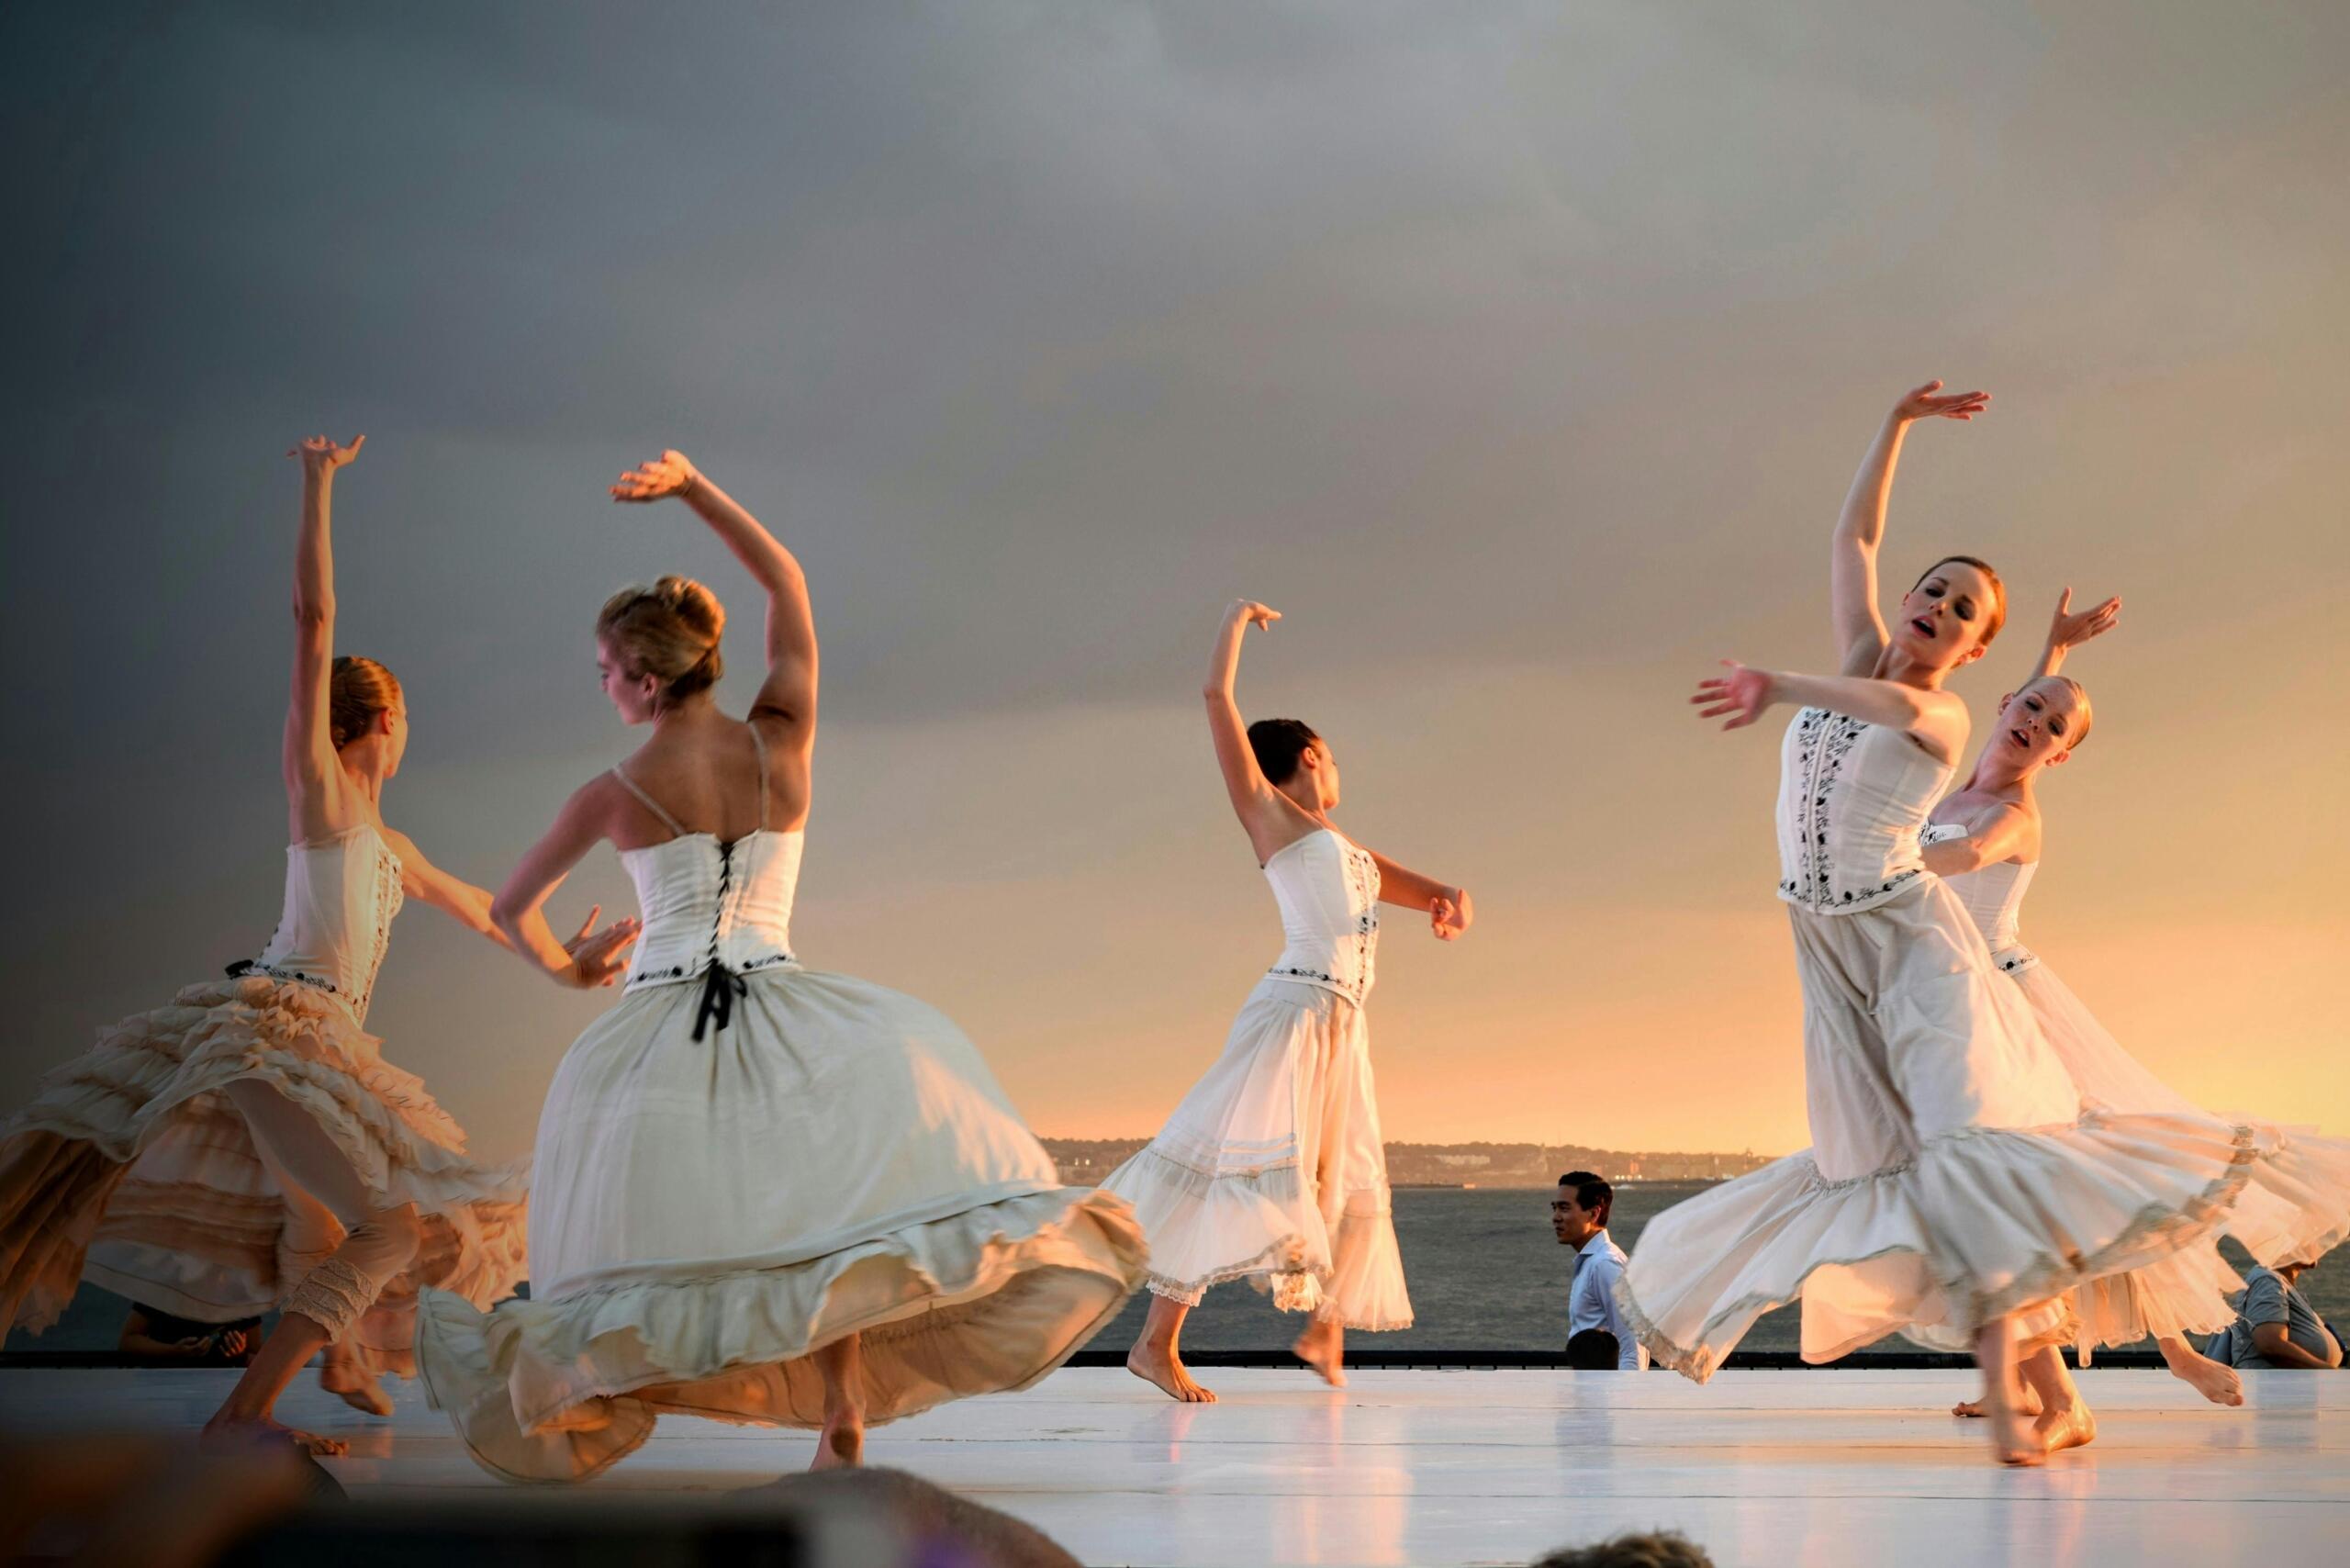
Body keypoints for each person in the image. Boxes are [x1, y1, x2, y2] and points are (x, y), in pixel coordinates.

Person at [413, 449, 1147, 1481]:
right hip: (792, 1001)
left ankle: (603, 1392)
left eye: (607, 672)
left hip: (662, 1021)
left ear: (649, 677)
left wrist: (575, 969)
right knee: (825, 1223)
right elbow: (787, 582)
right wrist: (694, 486)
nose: (603, 687)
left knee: (675, 1233)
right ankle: (840, 1405)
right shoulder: (783, 739)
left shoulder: (612, 789)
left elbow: (506, 908)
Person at [1614, 381, 2277, 1466]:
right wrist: (1894, 424)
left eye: (1964, 609)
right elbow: (1852, 537)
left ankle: (2027, 1408)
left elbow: (1902, 717)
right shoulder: (1875, 661)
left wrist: (1778, 683)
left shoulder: (1941, 708)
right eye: (1934, 588)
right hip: (1826, 957)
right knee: (1882, 1169)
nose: (1938, 607)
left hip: (1913, 946)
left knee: (1962, 1165)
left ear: (1975, 652)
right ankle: (2054, 1394)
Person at [0, 435, 632, 1454]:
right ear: (386, 716)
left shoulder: (390, 841)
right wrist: (317, 480)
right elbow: (312, 621)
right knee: (388, 1228)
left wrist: (571, 966)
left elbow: (483, 907)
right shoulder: (324, 796)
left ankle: (319, 1371)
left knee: (331, 1231)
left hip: (316, 1040)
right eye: (410, 712)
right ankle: (242, 1420)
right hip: (274, 1031)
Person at [1926, 590, 2350, 1422]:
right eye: (2032, 708)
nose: (2037, 725)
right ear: (2006, 701)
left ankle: (2180, 1352)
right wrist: (2054, 651)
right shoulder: (1989, 751)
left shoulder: (2014, 816)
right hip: (1952, 1011)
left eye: (2056, 732)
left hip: (2013, 1013)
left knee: (2085, 1188)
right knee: (2003, 1198)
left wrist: (1868, 853)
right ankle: (2015, 1372)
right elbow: (2032, 705)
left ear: (2059, 759)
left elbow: (1957, 858)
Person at [1097, 599, 1472, 1403]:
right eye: (1331, 758)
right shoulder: (1269, 817)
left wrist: (1444, 890)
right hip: (1294, 1014)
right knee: (1223, 1170)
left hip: (1341, 1025)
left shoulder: (1334, 843)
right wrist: (1235, 623)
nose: (1338, 771)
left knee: (1338, 1170)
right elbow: (1215, 702)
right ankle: (1154, 1344)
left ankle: (1321, 1330)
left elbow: (1383, 875)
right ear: (1309, 755)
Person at [1552, 1172, 1644, 1369]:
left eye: (1564, 1208)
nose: (1556, 1218)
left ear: (1594, 1213)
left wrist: (1624, 1397)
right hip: (1594, 1392)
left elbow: (1633, 1347)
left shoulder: (1605, 1265)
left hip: (1606, 1395)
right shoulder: (1593, 1262)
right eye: (1555, 1208)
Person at [2209, 1259, 2344, 1370]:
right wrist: (2330, 1373)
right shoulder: (2267, 1281)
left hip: (2289, 1394)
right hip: (2272, 1395)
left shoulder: (2279, 1283)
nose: (2320, 1246)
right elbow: (2270, 1344)